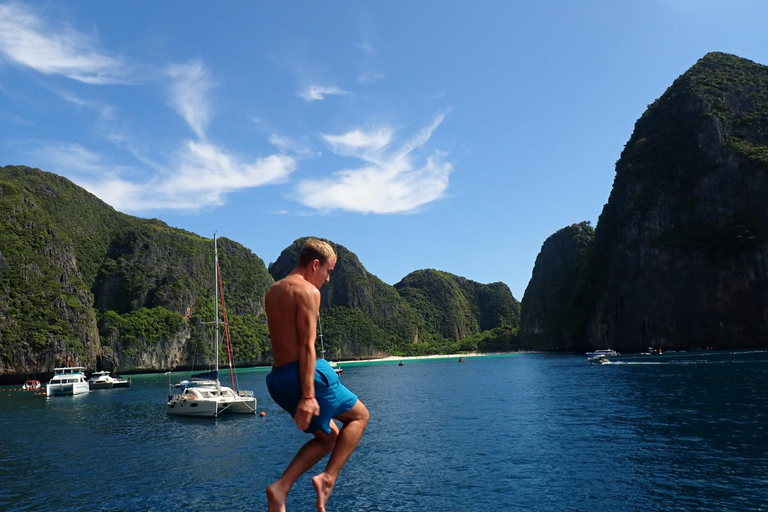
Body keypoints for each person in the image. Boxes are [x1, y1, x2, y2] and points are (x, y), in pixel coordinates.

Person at [264, 239, 370, 512]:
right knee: (360, 416)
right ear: (315, 265)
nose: (328, 278)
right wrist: (309, 395)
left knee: (329, 438)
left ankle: (281, 488)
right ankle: (328, 479)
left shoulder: (273, 291)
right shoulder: (309, 291)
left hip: (277, 381)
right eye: (328, 271)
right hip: (304, 376)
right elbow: (306, 345)